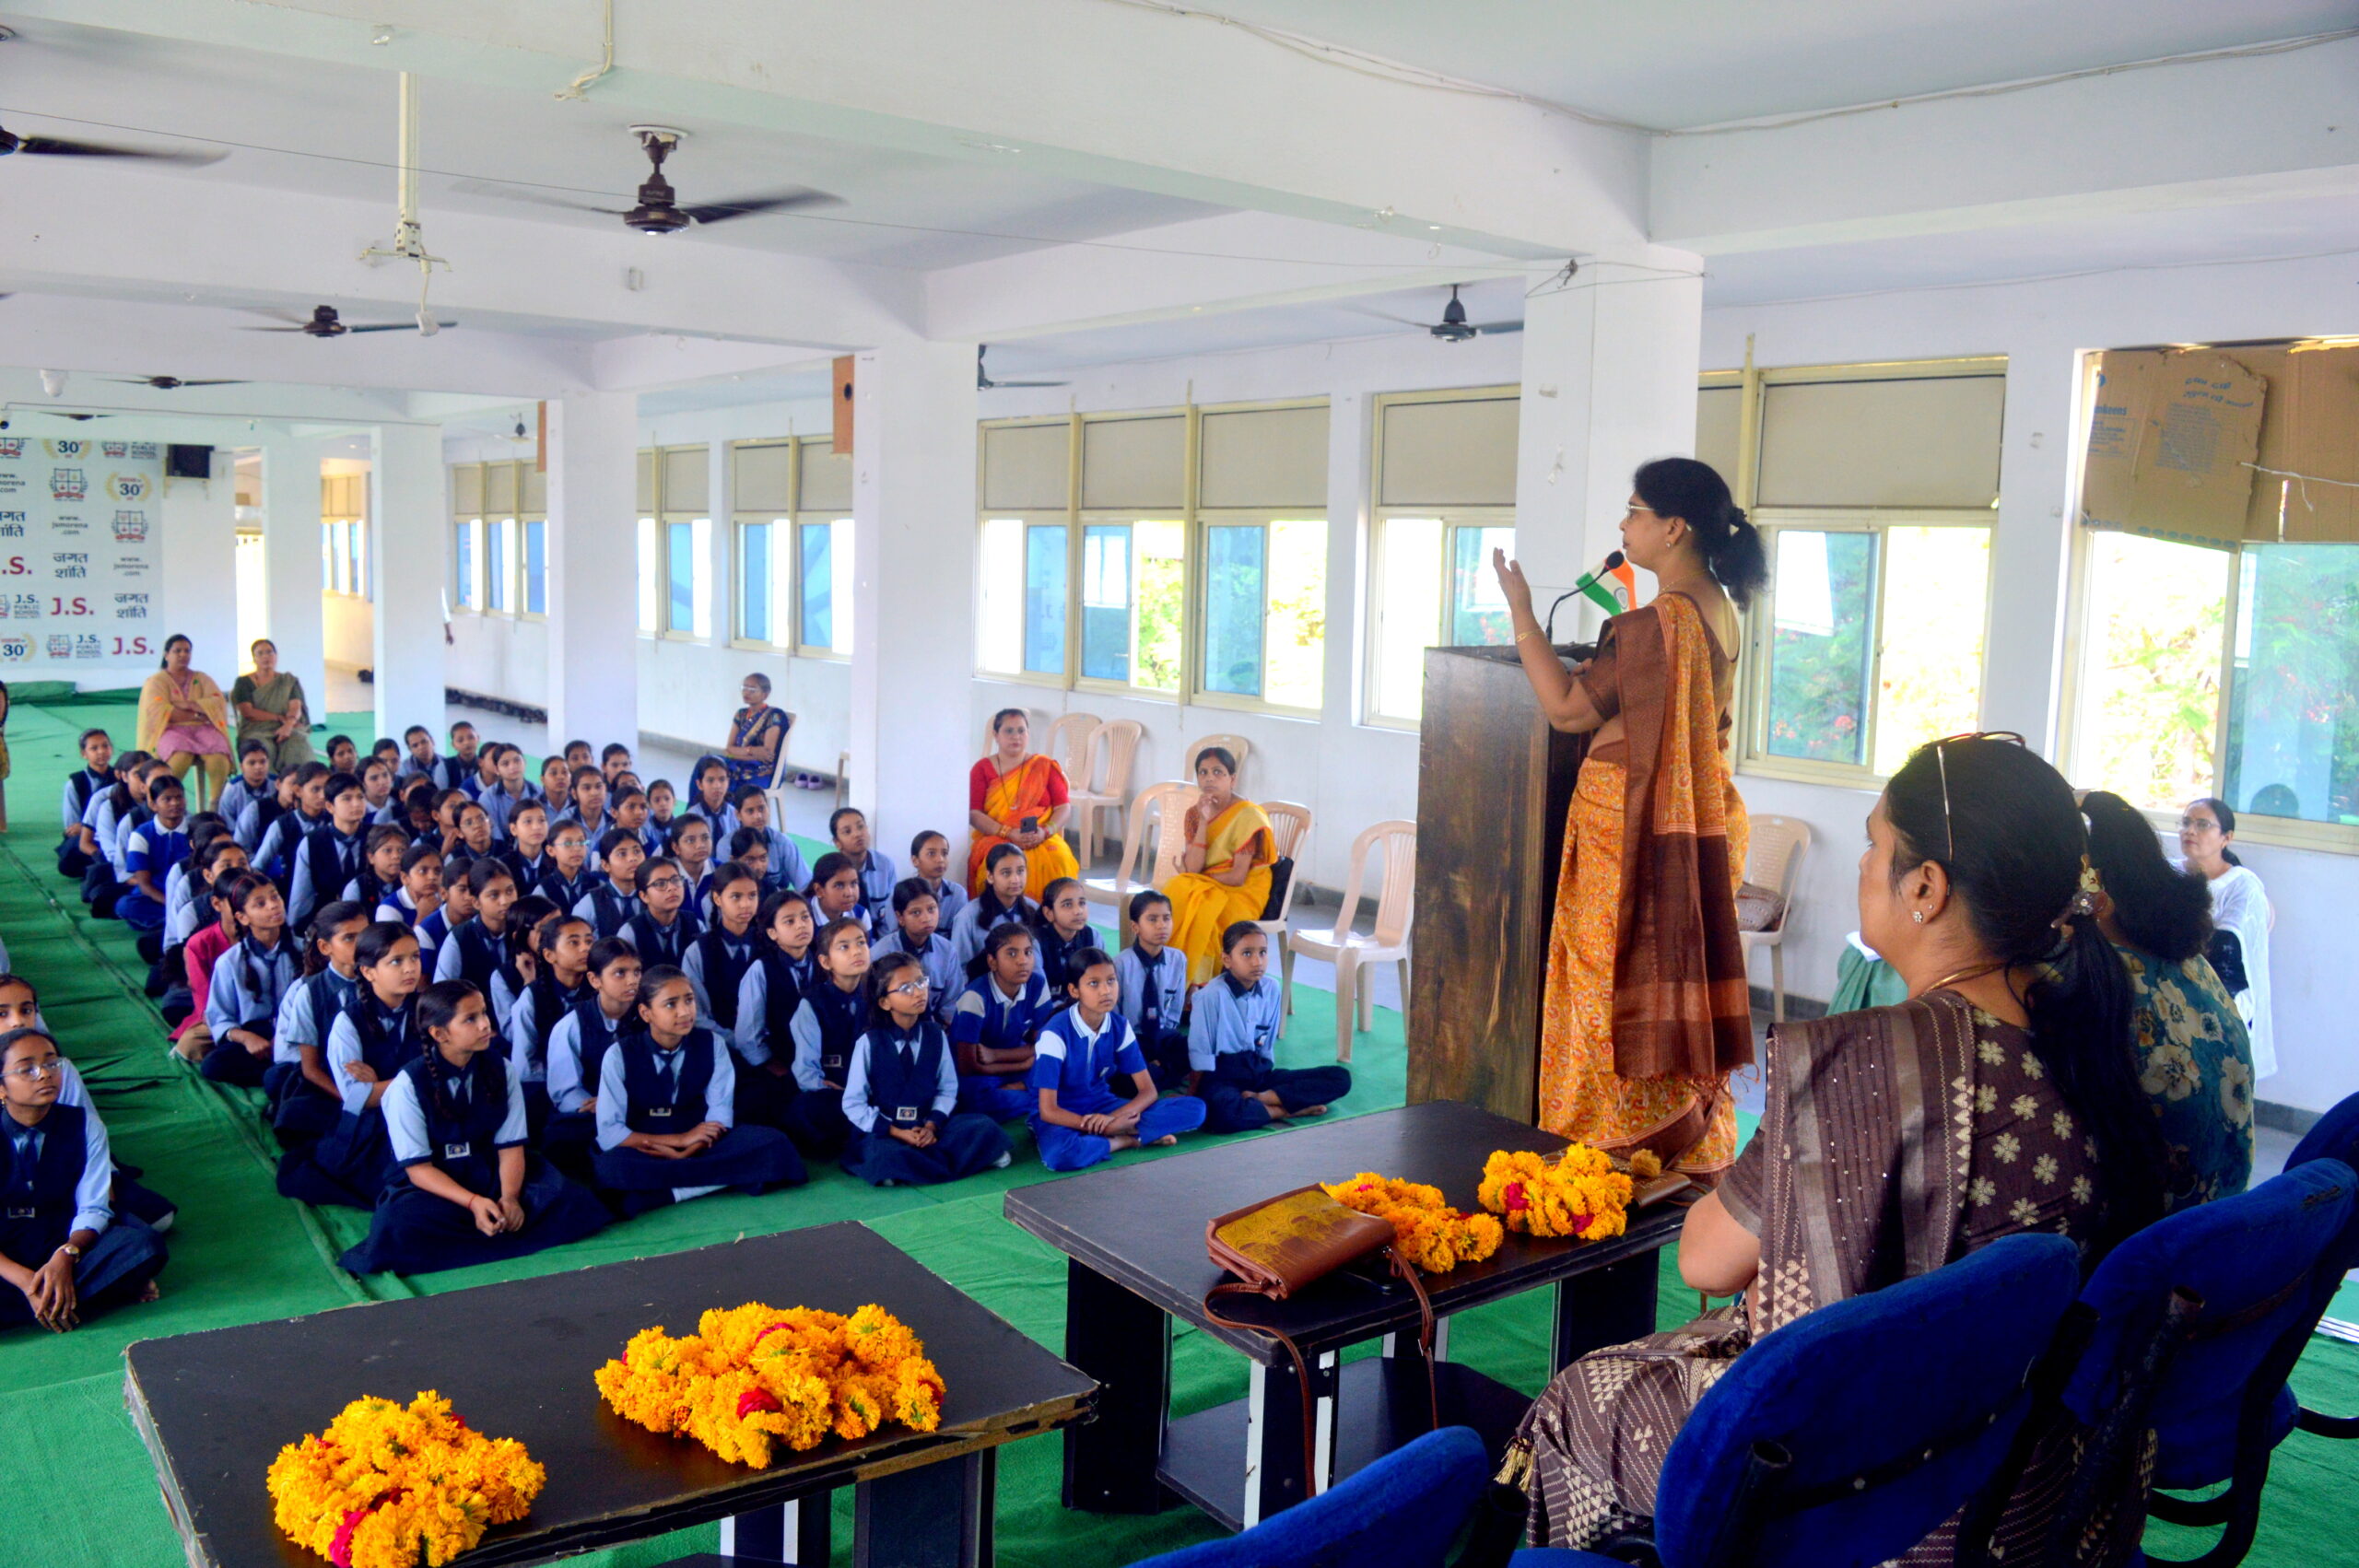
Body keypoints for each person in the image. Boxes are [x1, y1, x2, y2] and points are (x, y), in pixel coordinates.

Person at [1508, 738, 2173, 1562]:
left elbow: (1707, 1262)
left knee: (1579, 1396)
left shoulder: (1868, 1060)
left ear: (1925, 888)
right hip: (2029, 1467)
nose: (1863, 866)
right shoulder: (2092, 1037)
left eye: (1874, 843)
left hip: (1883, 1488)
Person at [1493, 458, 1759, 1176]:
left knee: (1602, 988)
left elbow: (1568, 710)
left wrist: (1521, 610)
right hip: (1687, 819)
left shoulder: (1659, 621)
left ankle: (1610, 1150)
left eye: (1634, 510)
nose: (1623, 523)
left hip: (1628, 827)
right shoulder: (1713, 609)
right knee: (1655, 969)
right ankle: (1669, 1134)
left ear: (1672, 528)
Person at [340, 980, 608, 1274]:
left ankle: (490, 1225)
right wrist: (474, 1203)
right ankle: (492, 1229)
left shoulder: (502, 1069)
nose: (484, 1025)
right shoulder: (406, 1085)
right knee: (399, 1221)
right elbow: (419, 1169)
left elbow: (510, 1146)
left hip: (490, 1170)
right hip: (438, 1183)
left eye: (483, 1013)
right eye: (470, 1019)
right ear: (439, 1033)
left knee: (569, 1198)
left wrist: (509, 1197)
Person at [2082, 791, 2254, 1211]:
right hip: (2216, 1220)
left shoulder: (2106, 978)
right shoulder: (2187, 958)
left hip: (2154, 1236)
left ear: (2093, 889)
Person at [592, 966, 806, 1213]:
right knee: (611, 1168)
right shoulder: (618, 1054)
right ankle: (720, 1181)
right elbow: (609, 1132)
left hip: (703, 1140)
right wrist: (679, 1141)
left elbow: (719, 1113)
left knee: (774, 1144)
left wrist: (692, 1147)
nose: (684, 1011)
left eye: (689, 1000)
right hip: (648, 1143)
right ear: (646, 1012)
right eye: (671, 1004)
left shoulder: (712, 1043)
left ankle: (669, 1194)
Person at [0, 1027, 169, 1332]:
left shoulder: (85, 1125)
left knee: (143, 1244)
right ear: (1, 1088)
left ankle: (52, 1299)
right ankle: (77, 1297)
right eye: (27, 1069)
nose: (44, 1074)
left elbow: (94, 1206)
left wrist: (66, 1255)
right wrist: (26, 1281)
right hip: (5, 1252)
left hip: (61, 1237)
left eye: (52, 1063)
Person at [276, 923, 427, 1210]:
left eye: (415, 957)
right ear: (368, 972)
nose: (410, 968)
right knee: (399, 1188)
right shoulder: (348, 1022)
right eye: (396, 961)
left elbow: (449, 1071)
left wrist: (384, 1083)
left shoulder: (427, 1008)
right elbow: (359, 1098)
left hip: (426, 1113)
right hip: (373, 1126)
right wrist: (420, 1080)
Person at [840, 954, 1012, 1187]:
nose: (919, 992)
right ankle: (950, 1163)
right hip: (889, 1129)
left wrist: (931, 1125)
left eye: (921, 982)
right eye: (906, 988)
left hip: (929, 1125)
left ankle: (911, 1170)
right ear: (884, 1002)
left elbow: (947, 1089)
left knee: (982, 1127)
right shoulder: (869, 1043)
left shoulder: (936, 1035)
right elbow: (853, 1103)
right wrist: (898, 1132)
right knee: (883, 1153)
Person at [1029, 948, 1206, 1171]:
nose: (1106, 991)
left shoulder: (1119, 1026)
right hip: (1062, 1114)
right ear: (1074, 990)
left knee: (1196, 1109)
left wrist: (1113, 1119)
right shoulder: (1055, 1034)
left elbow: (1148, 1091)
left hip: (1104, 1105)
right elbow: (1048, 1110)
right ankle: (1126, 1140)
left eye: (1111, 981)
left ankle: (1109, 1135)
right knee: (1062, 1155)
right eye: (1094, 983)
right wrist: (1108, 1129)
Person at [1190, 924, 1350, 1131]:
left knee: (1340, 1078)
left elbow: (1266, 1048)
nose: (1257, 961)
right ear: (1227, 959)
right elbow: (1200, 1053)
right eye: (1247, 953)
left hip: (1259, 1076)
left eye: (1263, 952)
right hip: (1224, 1077)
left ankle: (1267, 1099)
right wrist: (1192, 1095)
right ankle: (1284, 1110)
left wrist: (1266, 1088)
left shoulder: (1271, 988)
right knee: (1220, 1113)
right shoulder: (1211, 996)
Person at [2178, 797, 2274, 1082]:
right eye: (2186, 823)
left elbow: (2226, 951)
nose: (2190, 831)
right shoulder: (2168, 872)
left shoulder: (2241, 883)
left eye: (2202, 825)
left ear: (2226, 838)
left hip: (2221, 994)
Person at [1161, 748, 1276, 986]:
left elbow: (1237, 877)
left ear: (1232, 779)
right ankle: (1170, 982)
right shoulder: (1195, 813)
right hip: (1211, 882)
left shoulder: (1249, 816)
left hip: (1243, 890)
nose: (1209, 778)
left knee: (1205, 914)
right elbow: (1193, 868)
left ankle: (1198, 987)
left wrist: (1201, 877)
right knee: (1178, 892)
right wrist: (1203, 821)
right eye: (1203, 772)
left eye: (1217, 772)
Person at [544, 940, 642, 1182]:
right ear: (595, 980)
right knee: (564, 1138)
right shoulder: (572, 1024)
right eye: (620, 973)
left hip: (642, 1107)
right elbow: (565, 1092)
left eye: (637, 972)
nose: (632, 981)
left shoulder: (648, 1015)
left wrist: (623, 1101)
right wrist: (606, 1106)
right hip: (592, 1114)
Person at [271, 903, 368, 1148]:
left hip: (374, 1078)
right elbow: (311, 1069)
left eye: (365, 935)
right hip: (331, 1085)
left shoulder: (380, 979)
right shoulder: (310, 992)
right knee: (295, 1112)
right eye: (349, 938)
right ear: (325, 947)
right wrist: (351, 1100)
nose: (360, 944)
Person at [201, 872, 300, 1089]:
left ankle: (284, 1075)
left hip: (298, 1033)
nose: (273, 906)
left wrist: (286, 1038)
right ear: (243, 917)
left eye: (275, 898)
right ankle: (283, 1076)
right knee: (213, 1065)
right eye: (260, 903)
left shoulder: (305, 950)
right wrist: (247, 1038)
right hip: (258, 1037)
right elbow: (219, 1018)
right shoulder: (229, 962)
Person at [968, 708, 1079, 897]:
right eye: (1009, 731)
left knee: (1059, 858)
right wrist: (1008, 833)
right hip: (997, 837)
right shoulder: (982, 769)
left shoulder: (1043, 766)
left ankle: (1053, 918)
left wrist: (1045, 832)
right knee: (1001, 864)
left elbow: (1063, 807)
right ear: (996, 735)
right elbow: (974, 813)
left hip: (1042, 837)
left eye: (1021, 731)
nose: (1016, 737)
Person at [783, 917, 870, 1157]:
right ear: (825, 961)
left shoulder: (879, 997)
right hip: (833, 1093)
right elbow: (806, 1073)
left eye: (861, 943)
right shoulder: (812, 1004)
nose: (856, 951)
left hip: (871, 1091)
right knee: (807, 1109)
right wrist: (844, 1092)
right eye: (844, 947)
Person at [727, 885, 814, 1125]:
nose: (801, 925)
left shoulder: (825, 962)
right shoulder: (761, 970)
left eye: (805, 917)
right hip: (779, 1064)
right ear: (773, 933)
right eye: (789, 921)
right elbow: (748, 1036)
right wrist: (773, 1066)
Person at [949, 921, 1052, 1121]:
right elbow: (967, 1066)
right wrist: (1024, 1063)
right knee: (977, 1099)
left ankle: (1021, 1091)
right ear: (992, 961)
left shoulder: (1037, 984)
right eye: (1012, 954)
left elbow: (1044, 1045)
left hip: (1005, 1062)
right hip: (981, 1074)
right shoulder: (975, 997)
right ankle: (1035, 1096)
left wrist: (995, 1055)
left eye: (1028, 952)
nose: (1023, 961)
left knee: (1060, 1068)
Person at [505, 913, 595, 1129]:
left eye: (589, 941)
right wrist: (567, 1087)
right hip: (546, 1089)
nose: (585, 948)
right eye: (574, 942)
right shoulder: (531, 998)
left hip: (597, 1084)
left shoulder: (600, 989)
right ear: (549, 955)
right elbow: (525, 1066)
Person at [138, 634, 233, 811]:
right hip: (170, 730)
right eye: (177, 651)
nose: (183, 655)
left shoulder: (201, 678)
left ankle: (215, 805)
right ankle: (166, 801)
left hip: (203, 729)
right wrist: (199, 712)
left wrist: (188, 704)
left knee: (219, 753)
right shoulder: (156, 681)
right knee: (181, 754)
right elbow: (159, 711)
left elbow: (217, 702)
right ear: (166, 655)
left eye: (187, 651)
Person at [434, 860, 525, 1027]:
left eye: (510, 891)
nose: (505, 901)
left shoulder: (526, 931)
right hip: (476, 1027)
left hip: (520, 1022)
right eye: (494, 895)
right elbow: (441, 996)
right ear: (476, 902)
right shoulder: (459, 939)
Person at [1116, 891, 1192, 1088]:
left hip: (1162, 1035)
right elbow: (1114, 1015)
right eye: (1152, 919)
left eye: (1166, 918)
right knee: (1124, 1077)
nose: (1161, 925)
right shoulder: (1121, 964)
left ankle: (1159, 1072)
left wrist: (1167, 1042)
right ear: (1136, 927)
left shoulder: (1178, 959)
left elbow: (1175, 1010)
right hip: (1133, 1038)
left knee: (1199, 1049)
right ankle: (1165, 1074)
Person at [687, 863, 768, 1034]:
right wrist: (731, 1040)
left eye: (752, 895)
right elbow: (697, 1014)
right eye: (736, 897)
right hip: (717, 1043)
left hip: (768, 1044)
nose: (746, 904)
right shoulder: (698, 951)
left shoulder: (770, 944)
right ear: (717, 899)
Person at [288, 772, 371, 933]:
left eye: (360, 797)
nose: (356, 804)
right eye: (347, 798)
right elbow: (301, 898)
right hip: (328, 926)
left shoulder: (376, 837)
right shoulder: (312, 843)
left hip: (371, 925)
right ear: (330, 806)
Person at [872, 879, 962, 1025]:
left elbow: (952, 1002)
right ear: (900, 917)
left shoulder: (947, 950)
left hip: (935, 1028)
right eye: (916, 912)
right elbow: (874, 1004)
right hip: (890, 1028)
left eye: (931, 909)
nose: (927, 918)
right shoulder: (881, 953)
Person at [952, 842, 1040, 979]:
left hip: (1028, 988)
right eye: (1006, 873)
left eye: (1020, 871)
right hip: (984, 990)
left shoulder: (1033, 909)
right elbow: (960, 969)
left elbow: (1038, 964)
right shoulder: (967, 916)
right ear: (990, 876)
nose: (1015, 879)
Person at [227, 638, 315, 771]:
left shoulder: (288, 681)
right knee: (263, 750)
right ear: (254, 659)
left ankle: (299, 785)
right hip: (256, 729)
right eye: (260, 653)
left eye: (269, 652)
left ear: (276, 656)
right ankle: (270, 787)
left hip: (287, 726)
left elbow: (295, 706)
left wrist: (288, 725)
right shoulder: (243, 682)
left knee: (298, 744)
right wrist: (278, 718)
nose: (266, 656)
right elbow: (248, 713)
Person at [618, 856, 700, 968]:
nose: (672, 888)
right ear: (644, 896)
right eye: (660, 884)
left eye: (676, 880)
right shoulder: (630, 932)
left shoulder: (695, 924)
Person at [56, 728, 115, 879]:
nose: (101, 751)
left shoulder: (121, 778)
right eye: (94, 748)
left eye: (105, 746)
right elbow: (73, 828)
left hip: (113, 834)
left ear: (112, 749)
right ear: (84, 754)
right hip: (86, 838)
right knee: (69, 862)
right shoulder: (75, 783)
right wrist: (87, 829)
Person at [1030, 877, 1099, 995]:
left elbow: (1099, 981)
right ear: (1049, 913)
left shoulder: (1093, 936)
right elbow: (1037, 993)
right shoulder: (1035, 943)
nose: (1078, 911)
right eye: (1067, 905)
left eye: (1082, 903)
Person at [722, 673, 790, 792]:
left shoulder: (773, 716)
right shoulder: (741, 714)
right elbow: (729, 747)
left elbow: (766, 757)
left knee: (729, 780)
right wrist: (752, 751)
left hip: (761, 771)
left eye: (752, 689)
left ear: (765, 694)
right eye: (744, 688)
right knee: (706, 767)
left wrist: (733, 754)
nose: (746, 692)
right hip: (738, 763)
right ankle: (696, 810)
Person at [908, 829, 968, 930]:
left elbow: (960, 933)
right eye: (931, 853)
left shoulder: (958, 893)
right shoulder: (901, 893)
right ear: (915, 860)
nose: (940, 859)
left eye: (944, 853)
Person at [217, 742, 276, 832]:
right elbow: (227, 826)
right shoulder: (231, 790)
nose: (258, 767)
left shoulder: (278, 785)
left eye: (263, 762)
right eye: (252, 763)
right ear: (242, 767)